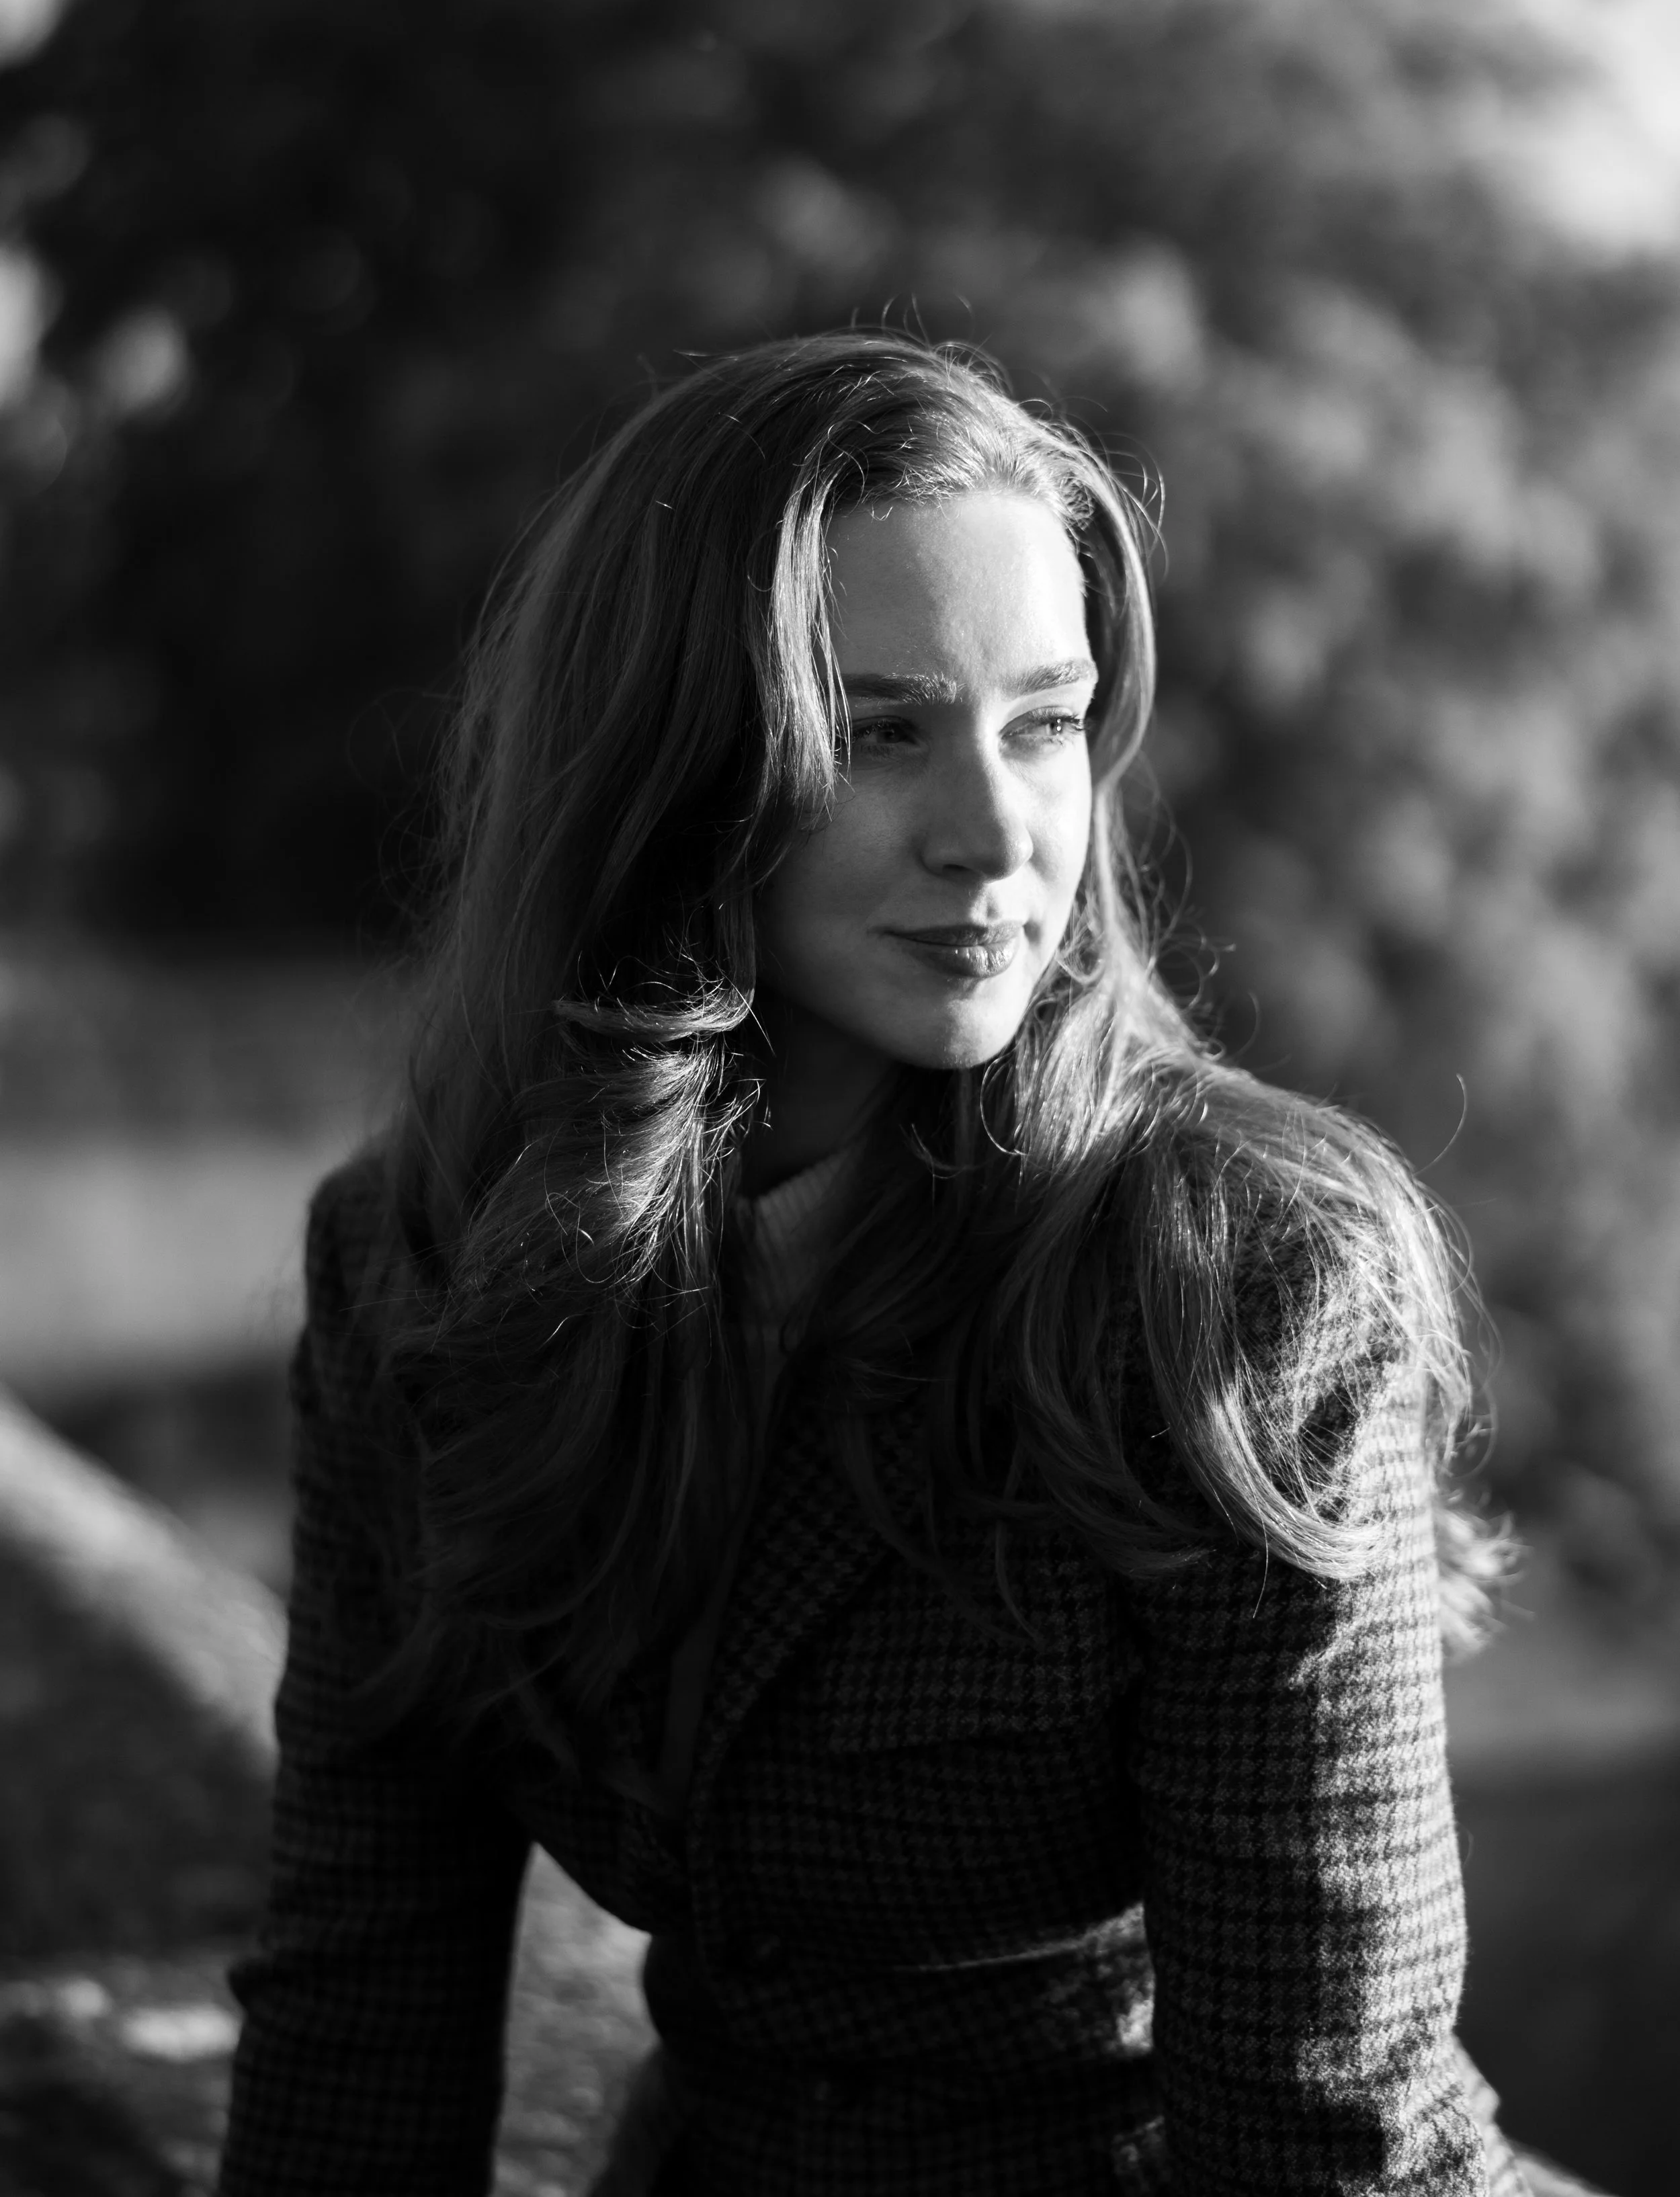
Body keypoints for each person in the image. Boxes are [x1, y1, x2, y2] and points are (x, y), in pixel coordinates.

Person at [217, 331, 1546, 2196]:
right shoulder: (412, 1261)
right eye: (882, 729)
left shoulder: (1238, 1280)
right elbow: (366, 1991)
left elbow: (1324, 2131)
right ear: (666, 766)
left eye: (1046, 720)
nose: (1003, 836)